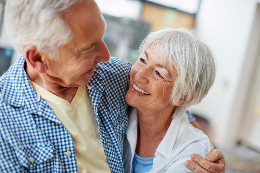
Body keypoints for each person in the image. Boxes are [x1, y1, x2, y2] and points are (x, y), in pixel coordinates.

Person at [0, 0, 224, 172]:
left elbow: (172, 105)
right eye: (89, 48)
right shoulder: (5, 122)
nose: (107, 56)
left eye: (102, 38)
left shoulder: (115, 75)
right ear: (39, 58)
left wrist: (207, 154)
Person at [123, 28, 223, 173]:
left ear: (182, 97)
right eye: (143, 60)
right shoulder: (117, 104)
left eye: (158, 73)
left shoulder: (195, 155)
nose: (138, 75)